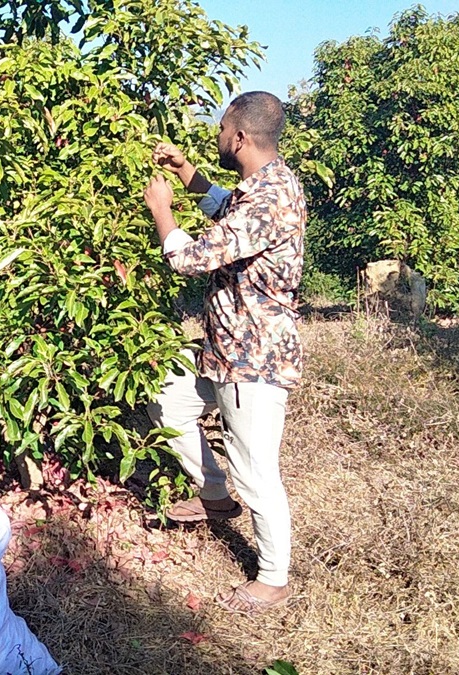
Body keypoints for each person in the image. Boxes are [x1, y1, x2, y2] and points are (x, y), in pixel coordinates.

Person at [142, 91, 307, 615]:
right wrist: (190, 173)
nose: (216, 137)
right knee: (166, 395)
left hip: (253, 357)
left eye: (220, 129)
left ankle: (273, 579)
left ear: (238, 137)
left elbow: (194, 257)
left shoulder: (269, 197)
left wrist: (162, 212)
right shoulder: (264, 184)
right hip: (224, 346)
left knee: (256, 470)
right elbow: (228, 210)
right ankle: (214, 496)